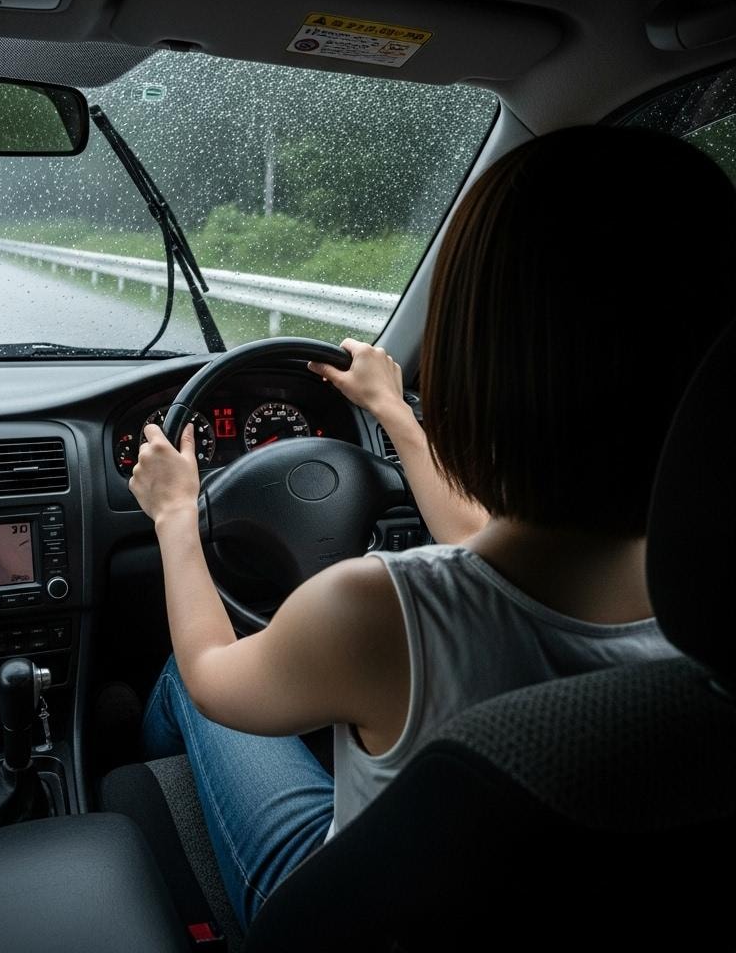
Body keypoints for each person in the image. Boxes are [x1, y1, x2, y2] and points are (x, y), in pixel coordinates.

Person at [127, 124, 736, 931]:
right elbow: (488, 547)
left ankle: (130, 782)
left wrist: (174, 515)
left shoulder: (374, 611)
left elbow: (215, 672)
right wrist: (395, 420)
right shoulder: (718, 619)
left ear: (471, 368)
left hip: (346, 902)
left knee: (180, 676)